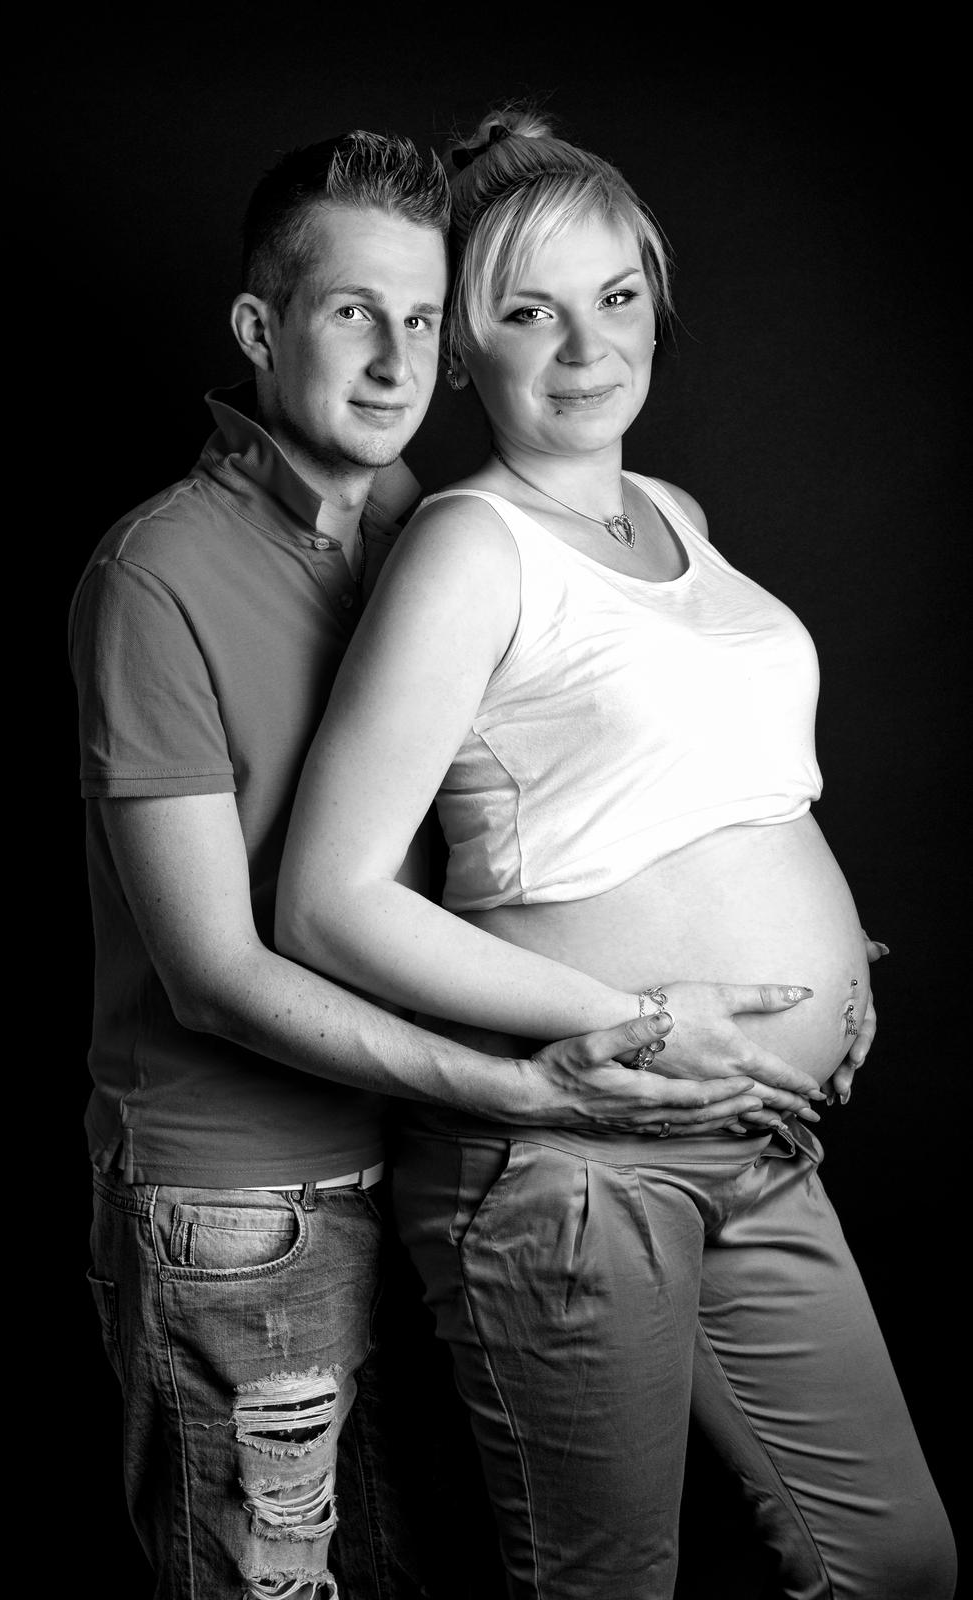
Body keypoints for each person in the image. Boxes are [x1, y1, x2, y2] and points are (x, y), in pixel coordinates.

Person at [68, 128, 834, 1600]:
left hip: (434, 1160)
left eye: (423, 319)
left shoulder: (427, 528)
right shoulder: (155, 575)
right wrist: (524, 1083)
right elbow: (215, 973)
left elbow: (532, 825)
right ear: (260, 330)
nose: (394, 360)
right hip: (251, 1202)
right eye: (354, 312)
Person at [275, 108, 957, 1599]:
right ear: (464, 351)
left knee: (894, 1564)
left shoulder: (675, 518)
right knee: (605, 1586)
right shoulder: (470, 547)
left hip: (748, 1135)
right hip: (573, 1160)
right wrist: (647, 1016)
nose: (588, 348)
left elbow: (683, 781)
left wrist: (819, 948)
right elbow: (324, 903)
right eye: (530, 312)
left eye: (617, 297)